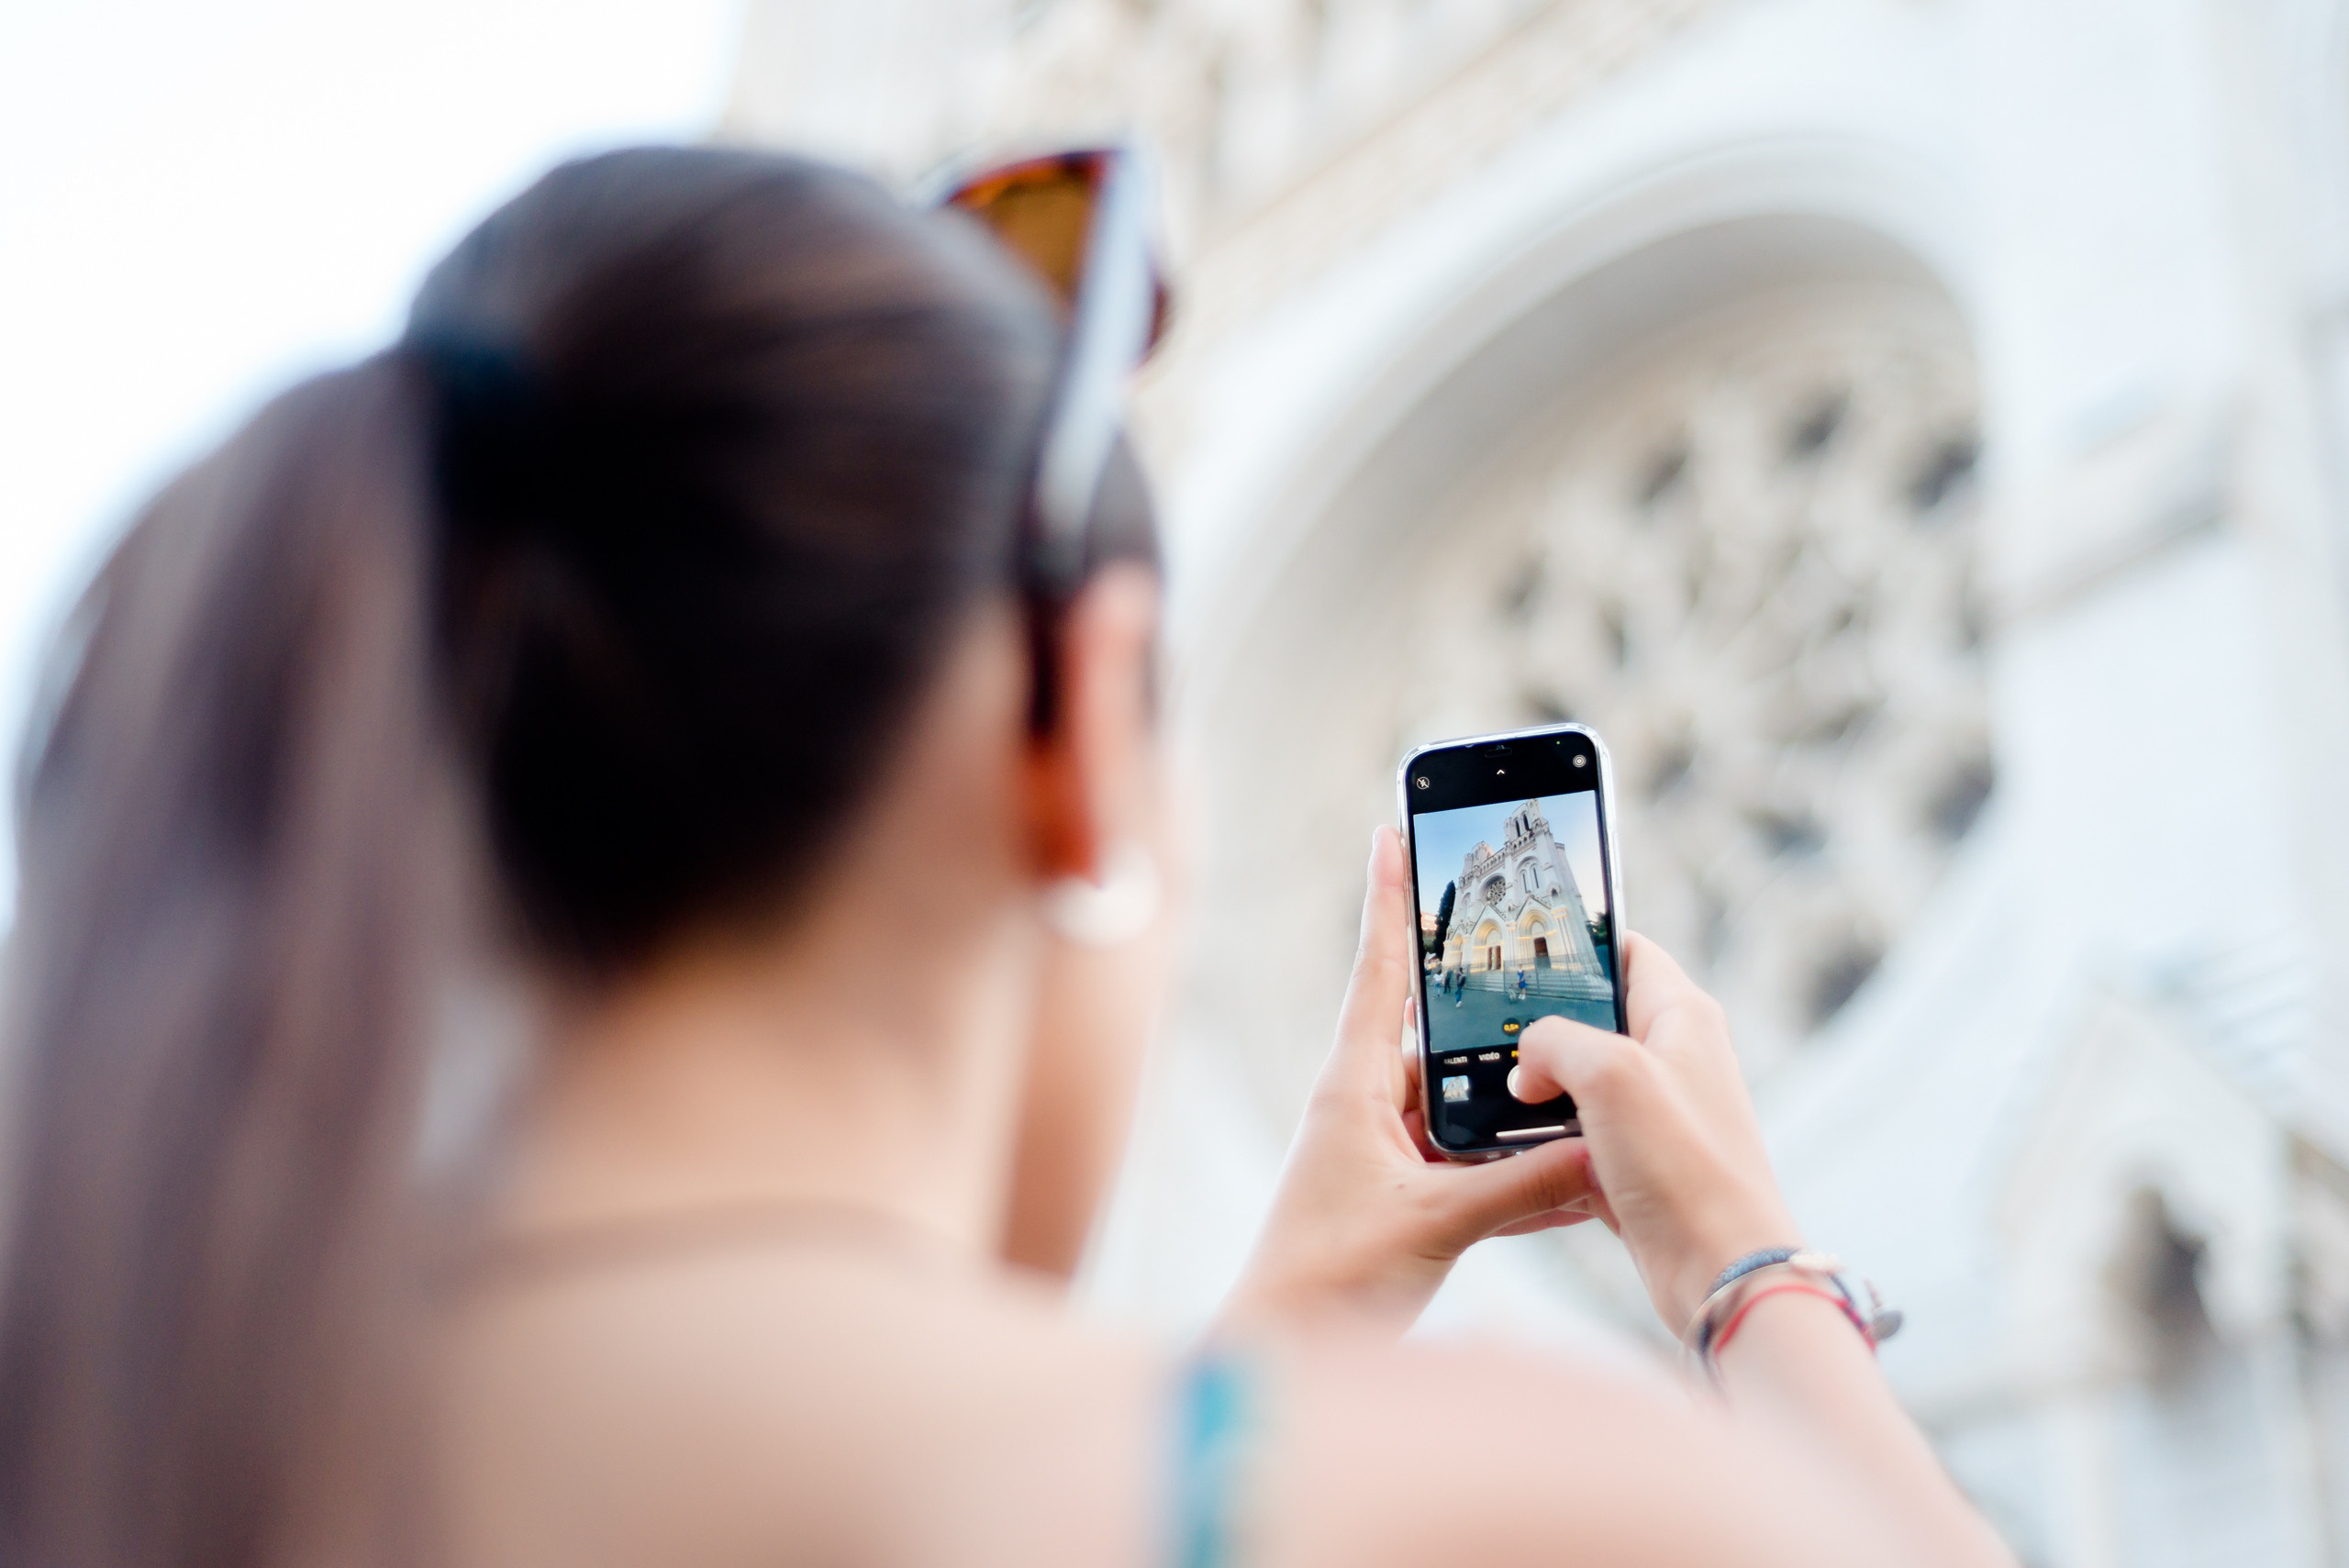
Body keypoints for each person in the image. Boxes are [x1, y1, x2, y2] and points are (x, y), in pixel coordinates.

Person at [0, 147, 2012, 1568]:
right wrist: (1749, 1276)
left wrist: (1288, 1317)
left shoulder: (131, 1465)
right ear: (1071, 719)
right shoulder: (1506, 1520)